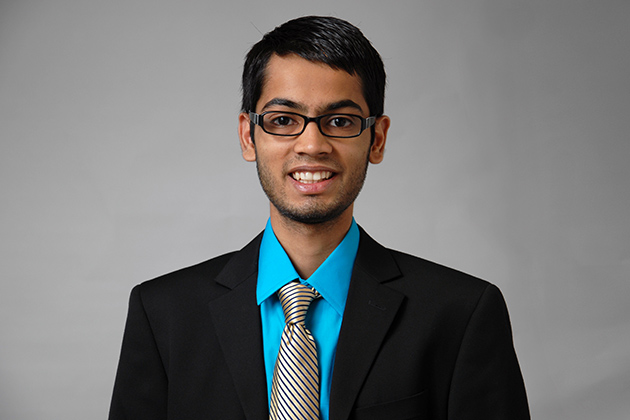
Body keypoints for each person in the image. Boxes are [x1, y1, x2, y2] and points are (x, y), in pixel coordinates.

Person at [108, 15, 530, 420]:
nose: (312, 144)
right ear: (247, 135)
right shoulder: (163, 314)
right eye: (284, 120)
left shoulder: (461, 314)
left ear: (377, 139)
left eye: (340, 121)